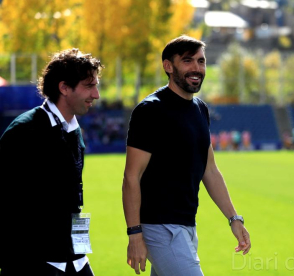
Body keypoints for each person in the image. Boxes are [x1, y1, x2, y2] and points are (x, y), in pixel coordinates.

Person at [122, 35, 251, 276]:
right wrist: (135, 234)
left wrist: (234, 218)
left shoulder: (200, 109)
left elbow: (210, 170)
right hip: (159, 228)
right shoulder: (150, 110)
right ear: (168, 66)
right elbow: (131, 177)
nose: (197, 68)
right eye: (188, 61)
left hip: (187, 228)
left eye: (201, 62)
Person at [0, 49, 103, 276]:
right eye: (89, 86)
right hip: (32, 263)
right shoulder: (25, 130)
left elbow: (73, 201)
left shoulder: (75, 131)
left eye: (96, 85)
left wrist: (79, 251)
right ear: (64, 88)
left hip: (75, 260)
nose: (96, 94)